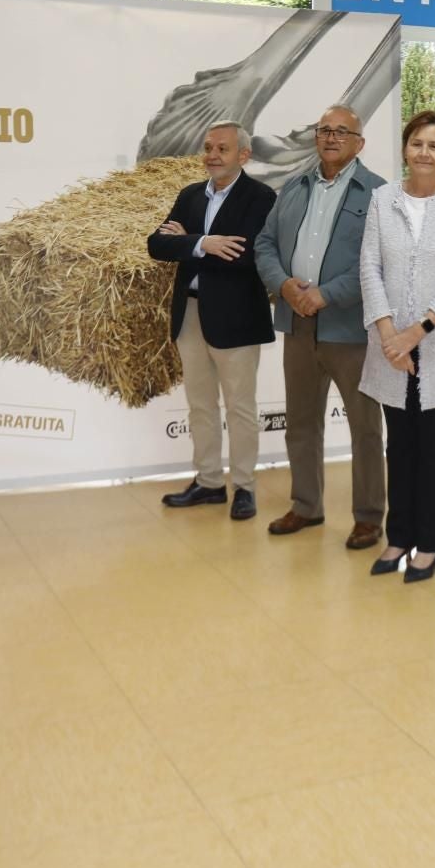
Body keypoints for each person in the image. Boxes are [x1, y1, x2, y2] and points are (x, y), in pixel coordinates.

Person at [254, 105, 388, 550]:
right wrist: (283, 285)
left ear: (359, 143)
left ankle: (369, 517)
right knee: (301, 423)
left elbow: (379, 262)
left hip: (351, 330)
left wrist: (327, 293)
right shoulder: (294, 187)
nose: (331, 138)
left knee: (365, 428)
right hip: (298, 325)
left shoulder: (378, 194)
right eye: (324, 130)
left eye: (342, 132)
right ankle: (306, 506)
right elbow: (266, 244)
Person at [357, 110, 435, 583]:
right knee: (399, 446)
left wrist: (416, 332)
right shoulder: (382, 199)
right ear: (405, 149)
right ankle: (398, 536)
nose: (424, 153)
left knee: (433, 447)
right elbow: (370, 267)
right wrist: (390, 335)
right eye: (416, 144)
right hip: (389, 348)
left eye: (434, 145)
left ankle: (428, 544)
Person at [148, 120, 277, 521]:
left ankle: (244, 487)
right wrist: (203, 243)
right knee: (200, 405)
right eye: (208, 148)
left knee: (239, 408)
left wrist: (187, 243)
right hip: (189, 313)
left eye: (222, 148)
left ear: (244, 155)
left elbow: (246, 254)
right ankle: (208, 483)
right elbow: (157, 244)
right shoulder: (190, 196)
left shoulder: (261, 197)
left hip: (237, 318)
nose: (212, 155)